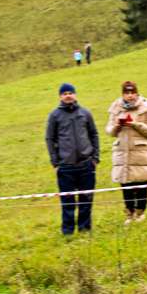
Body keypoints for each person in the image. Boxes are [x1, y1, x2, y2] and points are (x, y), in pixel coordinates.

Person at [45, 82, 99, 235]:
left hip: (86, 164)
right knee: (67, 201)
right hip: (66, 166)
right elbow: (49, 138)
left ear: (75, 95)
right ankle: (68, 231)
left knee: (86, 199)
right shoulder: (54, 116)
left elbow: (94, 134)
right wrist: (55, 161)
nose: (68, 96)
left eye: (70, 93)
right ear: (60, 97)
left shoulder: (85, 113)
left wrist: (95, 157)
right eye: (65, 94)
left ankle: (84, 229)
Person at [106, 80, 147, 223]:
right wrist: (117, 126)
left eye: (132, 92)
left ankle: (140, 213)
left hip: (141, 152)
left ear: (137, 93)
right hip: (122, 152)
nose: (130, 95)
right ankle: (129, 214)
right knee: (125, 185)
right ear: (122, 94)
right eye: (126, 92)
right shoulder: (115, 108)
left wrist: (136, 124)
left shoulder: (146, 108)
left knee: (142, 184)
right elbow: (109, 131)